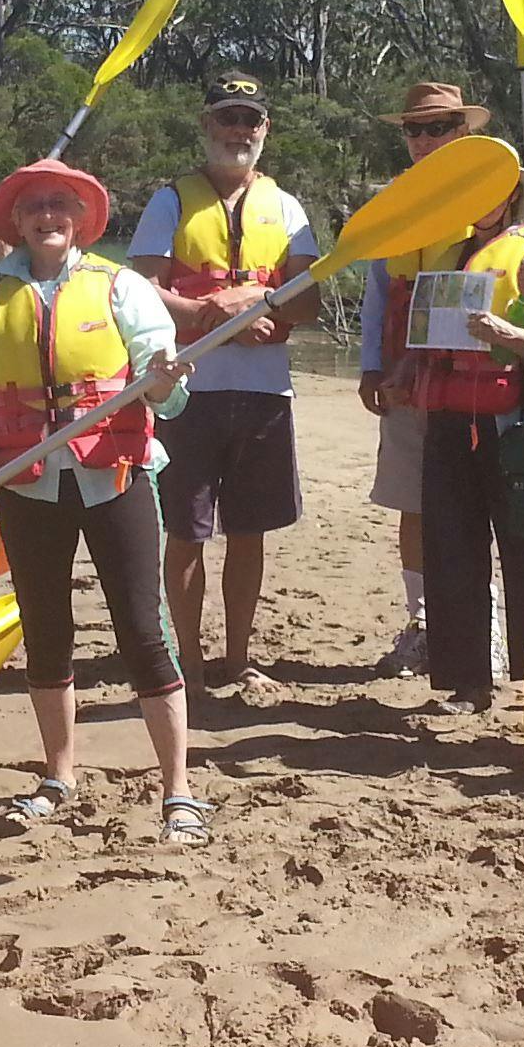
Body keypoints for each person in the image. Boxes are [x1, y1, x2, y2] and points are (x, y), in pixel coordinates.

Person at [0, 161, 199, 840]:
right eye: (34, 207)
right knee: (47, 632)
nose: (48, 216)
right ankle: (59, 774)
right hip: (29, 483)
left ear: (81, 218)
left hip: (114, 473)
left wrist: (159, 379)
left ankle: (177, 790)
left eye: (60, 205)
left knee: (142, 631)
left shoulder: (121, 287)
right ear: (17, 223)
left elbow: (168, 392)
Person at [131, 74, 326, 700]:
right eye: (227, 119)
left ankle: (238, 656)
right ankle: (187, 659)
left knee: (250, 529)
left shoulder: (287, 208)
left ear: (264, 130)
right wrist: (210, 314)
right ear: (206, 124)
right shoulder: (170, 202)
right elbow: (140, 292)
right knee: (186, 530)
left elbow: (310, 300)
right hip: (190, 392)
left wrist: (259, 300)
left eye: (250, 121)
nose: (238, 132)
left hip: (265, 394)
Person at [406, 183, 524, 722]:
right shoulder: (446, 254)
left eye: (487, 190)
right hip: (448, 420)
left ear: (510, 197)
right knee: (451, 548)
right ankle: (468, 682)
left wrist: (509, 335)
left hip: (514, 423)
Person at [356, 81, 488, 679]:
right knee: (412, 502)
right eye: (415, 129)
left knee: (477, 508)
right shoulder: (393, 203)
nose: (426, 139)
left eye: (439, 127)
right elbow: (379, 294)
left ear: (464, 130)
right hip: (405, 381)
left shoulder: (493, 195)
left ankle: (482, 632)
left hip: (475, 380)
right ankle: (423, 625)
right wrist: (369, 366)